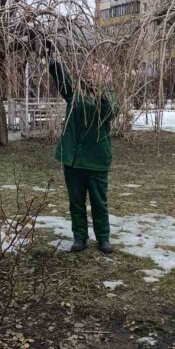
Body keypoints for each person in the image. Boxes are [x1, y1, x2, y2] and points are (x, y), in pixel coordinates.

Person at [49, 58, 119, 254]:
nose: (93, 75)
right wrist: (54, 61)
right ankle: (79, 237)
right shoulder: (75, 93)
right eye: (92, 72)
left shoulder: (110, 96)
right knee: (76, 202)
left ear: (107, 78)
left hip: (97, 160)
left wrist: (101, 91)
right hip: (73, 160)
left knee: (99, 202)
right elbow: (64, 80)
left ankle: (103, 238)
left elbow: (111, 112)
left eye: (99, 73)